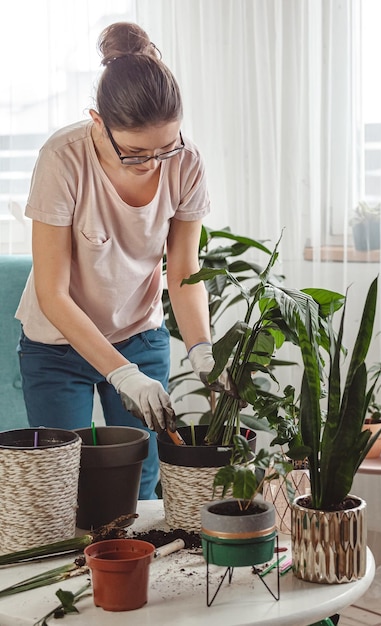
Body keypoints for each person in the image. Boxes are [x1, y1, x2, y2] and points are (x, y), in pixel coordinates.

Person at [16, 21, 227, 500]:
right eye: (134, 152)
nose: (154, 162)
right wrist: (121, 374)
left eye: (165, 147)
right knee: (59, 484)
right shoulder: (63, 159)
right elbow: (52, 292)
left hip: (138, 333)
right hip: (56, 345)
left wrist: (202, 350)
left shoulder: (187, 162)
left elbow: (185, 270)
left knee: (144, 481)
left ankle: (143, 574)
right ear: (98, 122)